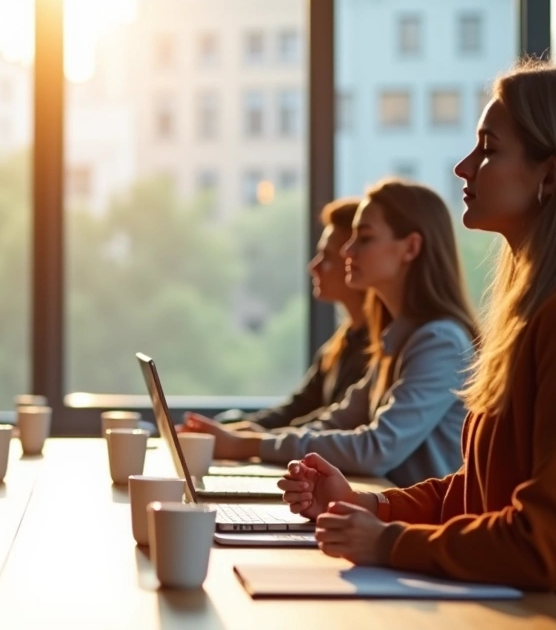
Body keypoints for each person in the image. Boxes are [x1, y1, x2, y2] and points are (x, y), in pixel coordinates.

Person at [279, 62, 556, 622]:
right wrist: (369, 505)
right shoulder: (532, 313)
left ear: (550, 174)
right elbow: (478, 491)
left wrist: (386, 542)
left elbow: (540, 544)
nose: (463, 166)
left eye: (489, 149)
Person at [182, 179, 479, 488]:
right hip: (385, 513)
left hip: (420, 528)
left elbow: (376, 449)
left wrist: (247, 445)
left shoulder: (440, 342)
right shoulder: (398, 339)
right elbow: (334, 422)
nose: (348, 250)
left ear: (411, 248)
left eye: (364, 238)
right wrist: (248, 440)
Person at [217, 198, 370, 432]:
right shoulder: (343, 342)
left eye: (326, 256)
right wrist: (237, 430)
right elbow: (298, 407)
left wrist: (251, 439)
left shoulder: (383, 346)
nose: (313, 267)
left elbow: (335, 422)